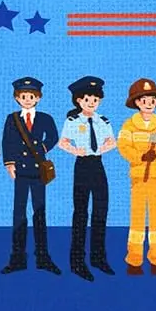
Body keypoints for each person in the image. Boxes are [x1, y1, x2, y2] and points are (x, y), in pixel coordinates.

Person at [57, 75, 115, 279]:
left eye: (95, 100)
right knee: (80, 213)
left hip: (98, 165)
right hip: (82, 165)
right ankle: (77, 262)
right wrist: (76, 150)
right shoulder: (73, 120)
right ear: (79, 101)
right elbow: (62, 142)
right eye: (87, 99)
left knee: (101, 210)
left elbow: (112, 141)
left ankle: (98, 258)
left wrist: (104, 147)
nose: (91, 103)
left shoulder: (103, 120)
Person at [116, 77, 156, 276]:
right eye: (143, 100)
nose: (148, 104)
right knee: (138, 219)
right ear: (136, 103)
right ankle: (134, 261)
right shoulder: (129, 126)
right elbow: (123, 147)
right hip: (139, 177)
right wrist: (140, 156)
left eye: (152, 100)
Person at [1, 76, 61, 275]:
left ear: (38, 98)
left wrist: (43, 148)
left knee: (39, 213)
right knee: (19, 214)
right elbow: (7, 141)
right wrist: (9, 163)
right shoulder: (12, 119)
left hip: (37, 172)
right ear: (17, 98)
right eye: (23, 96)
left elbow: (53, 136)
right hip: (20, 171)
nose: (27, 99)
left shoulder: (45, 118)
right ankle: (17, 258)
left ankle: (43, 257)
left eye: (32, 96)